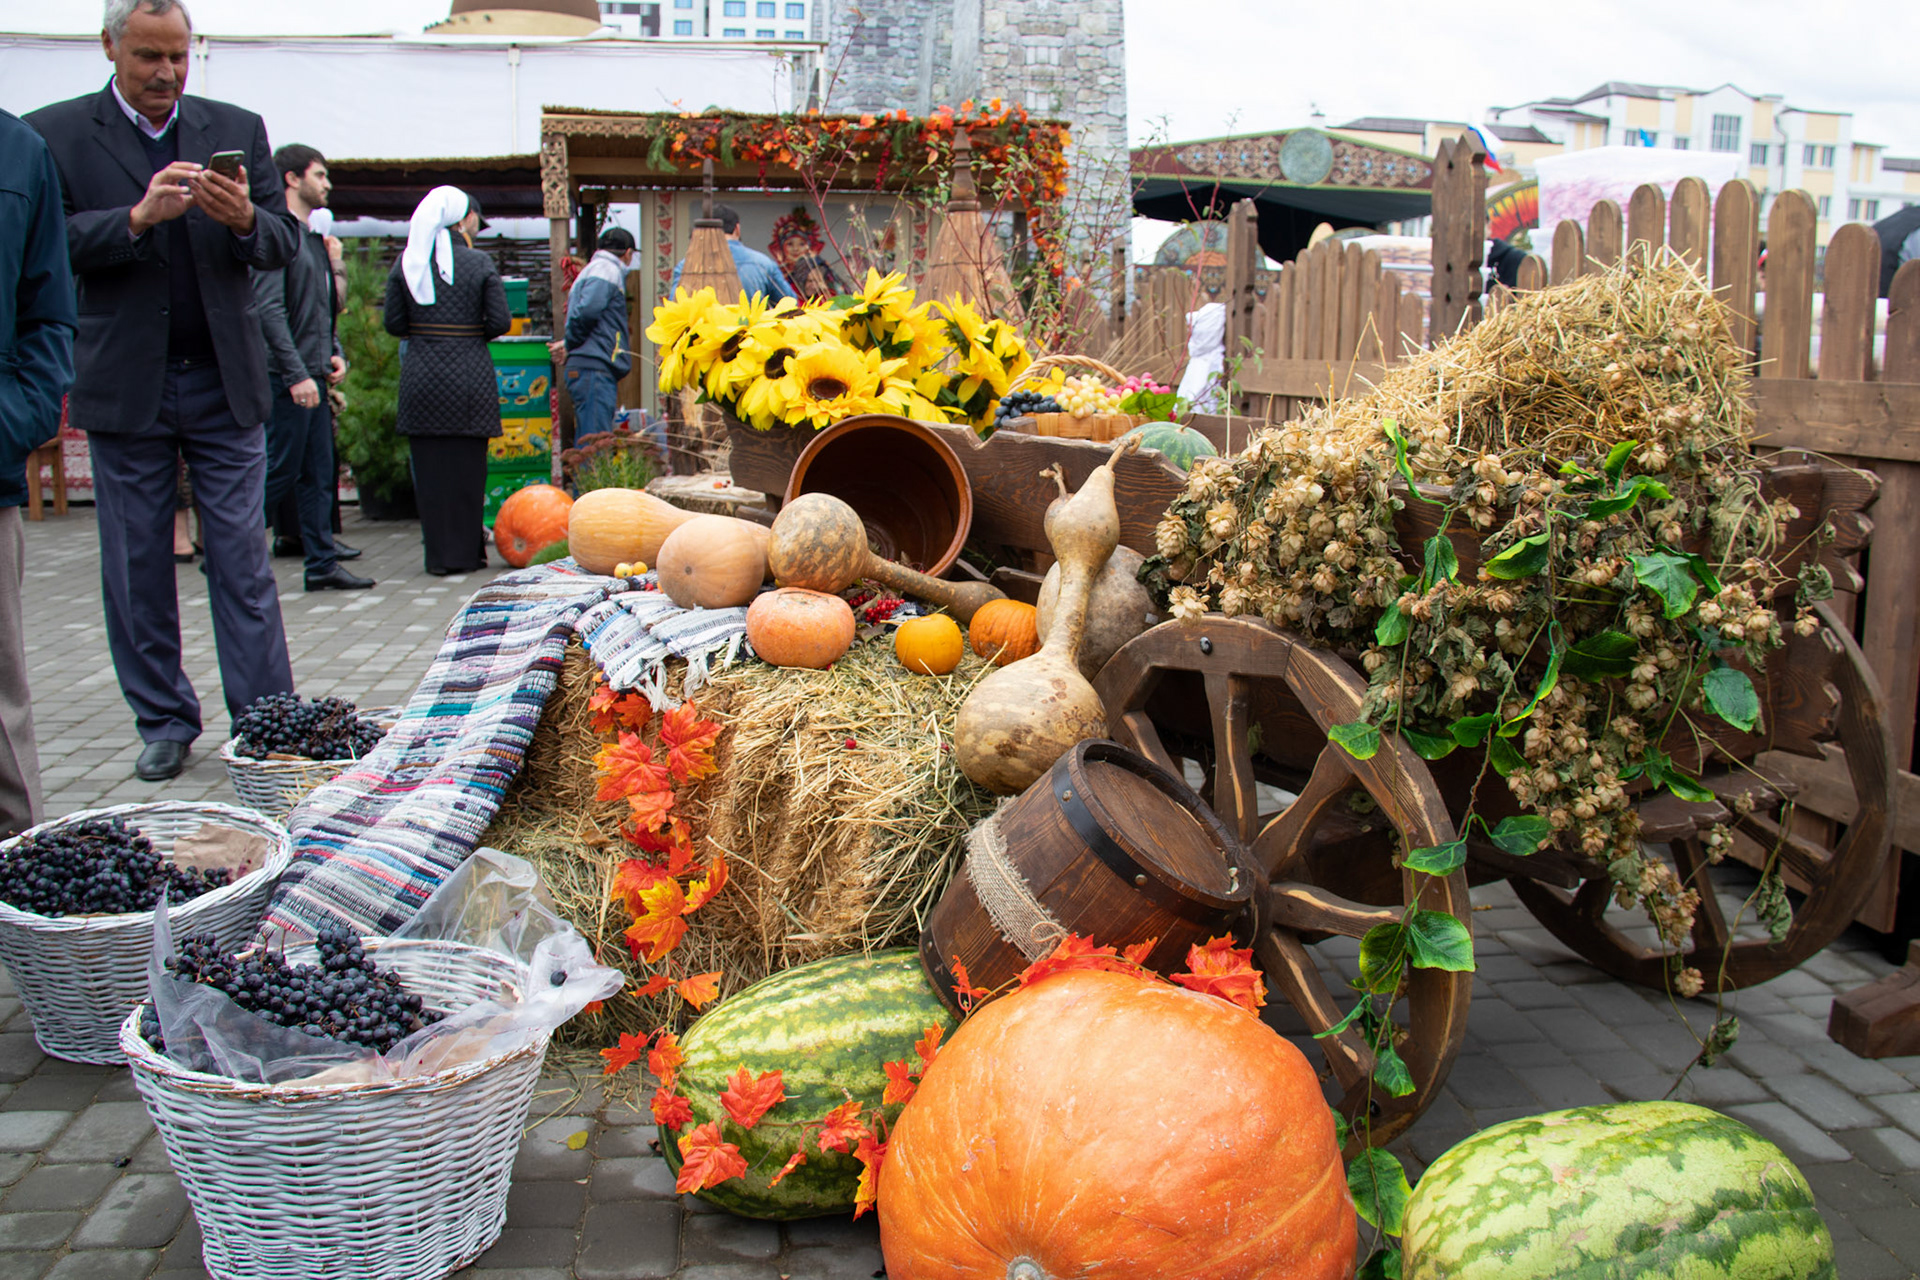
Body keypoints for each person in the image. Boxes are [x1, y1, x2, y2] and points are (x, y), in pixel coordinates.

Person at [27, 0, 299, 783]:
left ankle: (265, 722)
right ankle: (164, 720)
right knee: (137, 563)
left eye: (178, 56)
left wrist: (247, 217)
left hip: (224, 380)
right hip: (126, 386)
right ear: (109, 47)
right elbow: (49, 248)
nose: (165, 74)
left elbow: (280, 243)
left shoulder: (235, 124)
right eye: (148, 56)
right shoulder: (58, 134)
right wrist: (137, 219)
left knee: (243, 562)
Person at [0, 108, 76, 835]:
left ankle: (16, 885)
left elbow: (47, 308)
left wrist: (17, 416)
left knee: (0, 704)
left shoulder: (18, 151)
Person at [253, 143, 371, 591]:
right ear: (292, 179)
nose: (328, 184)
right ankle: (230, 551)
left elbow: (320, 309)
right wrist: (296, 374)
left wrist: (332, 352)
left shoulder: (312, 242)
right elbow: (268, 311)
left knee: (319, 474)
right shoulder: (276, 237)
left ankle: (321, 563)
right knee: (277, 470)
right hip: (287, 378)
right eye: (320, 175)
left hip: (314, 374)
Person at [384, 185, 510, 576]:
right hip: (469, 376)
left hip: (421, 376)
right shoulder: (479, 264)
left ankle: (438, 557)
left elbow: (393, 323)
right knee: (468, 470)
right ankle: (469, 554)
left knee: (431, 471)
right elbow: (500, 322)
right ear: (463, 219)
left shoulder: (407, 264)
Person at [548, 226, 634, 440]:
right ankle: (587, 475)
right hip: (594, 368)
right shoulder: (606, 269)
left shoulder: (594, 269)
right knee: (594, 445)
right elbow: (588, 311)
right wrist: (570, 343)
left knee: (591, 439)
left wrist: (569, 344)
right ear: (629, 253)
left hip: (589, 367)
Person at [671, 204, 798, 302]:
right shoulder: (764, 264)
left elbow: (674, 307)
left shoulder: (686, 266)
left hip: (705, 335)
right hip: (751, 335)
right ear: (737, 229)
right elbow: (790, 305)